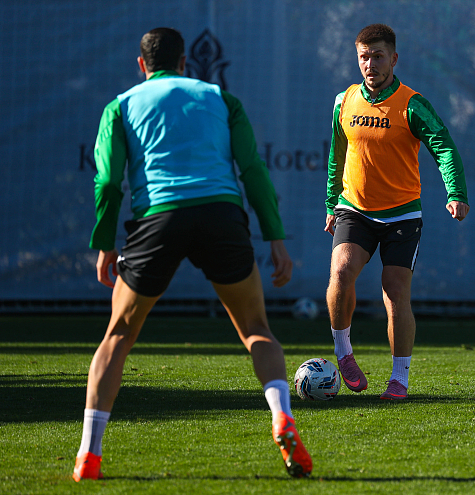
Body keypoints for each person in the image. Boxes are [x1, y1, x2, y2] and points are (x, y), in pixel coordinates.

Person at [73, 27, 312, 481]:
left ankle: (89, 454)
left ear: (142, 65)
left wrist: (104, 244)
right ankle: (282, 416)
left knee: (118, 336)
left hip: (159, 218)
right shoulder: (221, 98)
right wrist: (275, 238)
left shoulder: (121, 105)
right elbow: (253, 171)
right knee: (256, 329)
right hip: (221, 215)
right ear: (185, 63)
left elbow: (107, 181)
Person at [325, 24, 469, 400]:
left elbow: (444, 146)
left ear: (393, 59)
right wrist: (331, 203)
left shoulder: (412, 104)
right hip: (354, 208)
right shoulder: (344, 101)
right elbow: (337, 154)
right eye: (364, 57)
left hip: (402, 214)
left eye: (378, 56)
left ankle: (399, 378)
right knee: (341, 271)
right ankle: (344, 354)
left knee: (395, 291)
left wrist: (455, 192)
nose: (370, 64)